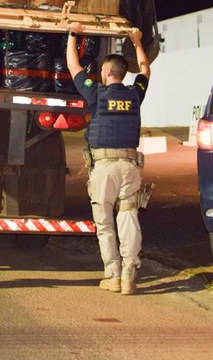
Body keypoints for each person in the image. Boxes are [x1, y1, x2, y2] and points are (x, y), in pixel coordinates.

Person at [66, 22, 150, 295]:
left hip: (103, 168)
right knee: (128, 217)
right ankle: (129, 272)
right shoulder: (135, 94)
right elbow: (145, 69)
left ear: (106, 72)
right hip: (129, 166)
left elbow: (73, 67)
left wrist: (73, 34)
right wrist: (137, 42)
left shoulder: (96, 93)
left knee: (104, 222)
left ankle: (112, 274)